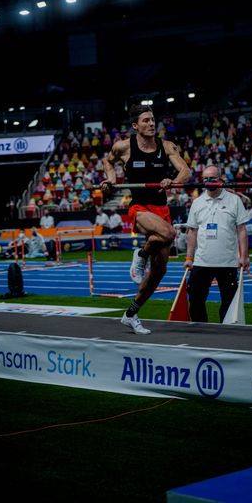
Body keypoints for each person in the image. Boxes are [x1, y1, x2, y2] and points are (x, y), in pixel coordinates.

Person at [101, 103, 191, 335]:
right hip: (139, 208)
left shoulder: (167, 146)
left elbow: (185, 171)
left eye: (152, 119)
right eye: (146, 120)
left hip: (161, 209)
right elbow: (107, 161)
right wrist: (110, 179)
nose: (151, 123)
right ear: (135, 125)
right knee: (169, 234)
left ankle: (130, 314)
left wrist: (173, 181)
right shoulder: (124, 147)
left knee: (159, 271)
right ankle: (140, 254)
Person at [184, 164, 250, 323]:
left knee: (228, 301)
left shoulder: (234, 200)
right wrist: (188, 258)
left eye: (212, 178)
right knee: (195, 300)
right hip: (201, 261)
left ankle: (226, 333)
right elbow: (192, 232)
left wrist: (244, 256)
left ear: (221, 179)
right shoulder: (197, 202)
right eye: (205, 179)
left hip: (227, 262)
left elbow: (242, 229)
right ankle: (201, 331)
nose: (208, 181)